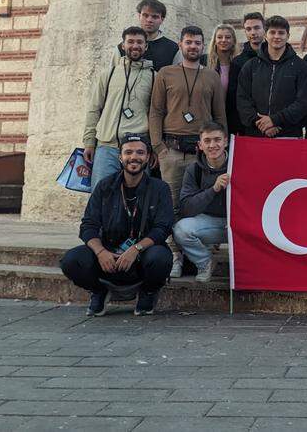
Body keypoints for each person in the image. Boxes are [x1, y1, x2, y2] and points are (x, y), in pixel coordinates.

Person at [60, 134, 175, 316]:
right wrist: (101, 252)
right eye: (128, 152)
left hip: (141, 257)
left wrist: (136, 249)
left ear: (148, 157)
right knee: (71, 260)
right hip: (108, 258)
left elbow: (163, 227)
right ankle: (99, 291)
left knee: (160, 258)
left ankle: (148, 292)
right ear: (120, 157)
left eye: (140, 152)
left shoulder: (160, 188)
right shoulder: (105, 186)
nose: (134, 157)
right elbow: (88, 225)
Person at [148, 25, 227, 279]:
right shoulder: (165, 73)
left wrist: (220, 149)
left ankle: (198, 254)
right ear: (180, 45)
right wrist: (158, 147)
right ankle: (175, 256)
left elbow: (219, 116)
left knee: (201, 202)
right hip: (171, 150)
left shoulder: (211, 77)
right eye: (188, 42)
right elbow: (156, 111)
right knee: (171, 206)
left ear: (204, 46)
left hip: (202, 153)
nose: (193, 47)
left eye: (197, 43)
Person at [83, 26, 155, 189]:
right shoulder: (107, 75)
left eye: (139, 42)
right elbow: (94, 109)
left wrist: (154, 147)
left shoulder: (154, 77)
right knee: (101, 195)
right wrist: (89, 142)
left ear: (146, 46)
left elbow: (156, 115)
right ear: (123, 45)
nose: (135, 45)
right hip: (107, 147)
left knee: (137, 198)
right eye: (130, 41)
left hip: (138, 149)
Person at [236, 15, 307, 138]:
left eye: (281, 33)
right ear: (266, 35)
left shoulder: (301, 67)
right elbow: (242, 99)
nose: (277, 36)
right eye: (272, 32)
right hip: (256, 135)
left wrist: (275, 120)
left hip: (289, 135)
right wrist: (261, 123)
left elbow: (304, 102)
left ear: (288, 36)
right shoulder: (250, 66)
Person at [172, 122, 230, 284]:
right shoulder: (194, 169)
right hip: (209, 222)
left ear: (225, 141)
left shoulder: (238, 163)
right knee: (181, 230)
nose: (213, 145)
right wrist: (213, 189)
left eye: (217, 140)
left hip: (238, 223)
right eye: (207, 141)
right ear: (200, 145)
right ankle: (205, 262)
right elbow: (187, 208)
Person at [228, 12, 266, 137]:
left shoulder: (275, 57)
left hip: (273, 124)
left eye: (256, 28)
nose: (253, 32)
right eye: (248, 29)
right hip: (247, 126)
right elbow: (235, 97)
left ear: (264, 29)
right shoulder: (238, 62)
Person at [208, 24, 240, 128]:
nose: (223, 40)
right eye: (220, 37)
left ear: (233, 41)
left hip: (232, 117)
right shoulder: (205, 62)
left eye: (228, 37)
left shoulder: (239, 65)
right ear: (214, 40)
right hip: (209, 116)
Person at [135, 0, 179, 71]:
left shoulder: (173, 48)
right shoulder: (125, 46)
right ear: (139, 16)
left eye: (155, 17)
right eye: (145, 15)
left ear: (162, 19)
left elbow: (176, 77)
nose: (149, 20)